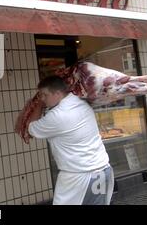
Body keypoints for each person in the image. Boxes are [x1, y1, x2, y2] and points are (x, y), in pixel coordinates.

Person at [27, 75, 114, 205]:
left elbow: (31, 128)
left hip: (79, 177)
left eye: (44, 95)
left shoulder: (57, 116)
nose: (42, 99)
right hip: (103, 169)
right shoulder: (81, 103)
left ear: (57, 93)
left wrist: (38, 105)